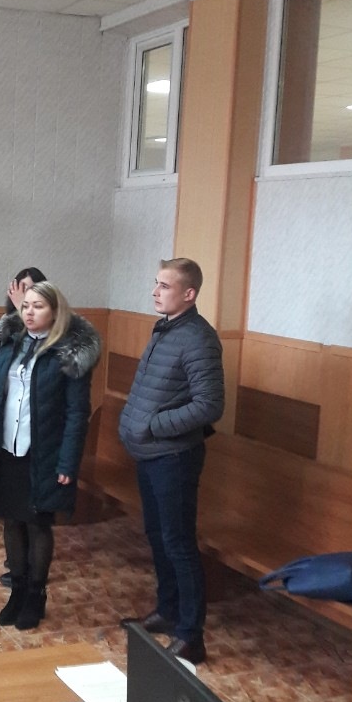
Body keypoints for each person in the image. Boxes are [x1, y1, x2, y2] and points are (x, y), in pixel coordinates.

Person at [0, 281, 101, 631]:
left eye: (38, 306)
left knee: (37, 523)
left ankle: (35, 594)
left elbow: (77, 413)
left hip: (43, 453)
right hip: (7, 448)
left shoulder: (68, 354)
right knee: (11, 520)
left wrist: (68, 462)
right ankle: (16, 590)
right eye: (25, 305)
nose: (29, 312)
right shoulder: (9, 344)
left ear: (55, 312)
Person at [119, 258, 224, 665]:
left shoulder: (198, 338)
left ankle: (191, 635)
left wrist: (154, 426)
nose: (155, 291)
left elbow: (209, 405)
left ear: (189, 294)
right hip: (150, 454)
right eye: (156, 283)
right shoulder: (165, 328)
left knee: (178, 543)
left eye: (164, 286)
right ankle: (168, 610)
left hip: (174, 457)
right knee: (158, 535)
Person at [0, 266, 47, 586]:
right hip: (7, 433)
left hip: (35, 438)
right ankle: (17, 566)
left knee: (34, 516)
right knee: (11, 512)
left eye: (30, 292)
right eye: (19, 290)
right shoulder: (4, 331)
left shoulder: (51, 335)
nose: (23, 298)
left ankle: (34, 580)